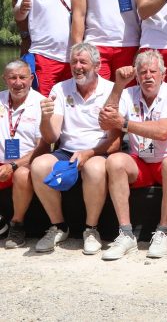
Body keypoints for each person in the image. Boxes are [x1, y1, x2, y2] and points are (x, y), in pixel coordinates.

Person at [98, 51, 167, 260]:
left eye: (153, 71)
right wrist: (118, 85)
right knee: (115, 161)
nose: (148, 76)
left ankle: (163, 231)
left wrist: (123, 123)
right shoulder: (128, 93)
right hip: (140, 161)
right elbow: (105, 122)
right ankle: (126, 233)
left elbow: (163, 131)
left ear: (163, 75)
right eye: (142, 72)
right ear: (136, 76)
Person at [29, 43, 117, 254]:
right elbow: (52, 136)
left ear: (97, 65)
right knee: (39, 165)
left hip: (98, 149)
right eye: (74, 62)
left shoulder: (111, 90)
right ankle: (59, 226)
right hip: (67, 150)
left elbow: (114, 140)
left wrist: (89, 154)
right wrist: (46, 118)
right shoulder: (60, 89)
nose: (77, 66)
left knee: (94, 169)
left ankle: (91, 229)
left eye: (83, 62)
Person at [1, 61, 46, 248]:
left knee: (21, 174)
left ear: (31, 79)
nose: (17, 82)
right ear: (5, 79)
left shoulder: (41, 104)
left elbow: (42, 147)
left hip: (25, 163)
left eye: (22, 77)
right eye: (12, 77)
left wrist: (13, 165)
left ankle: (16, 225)